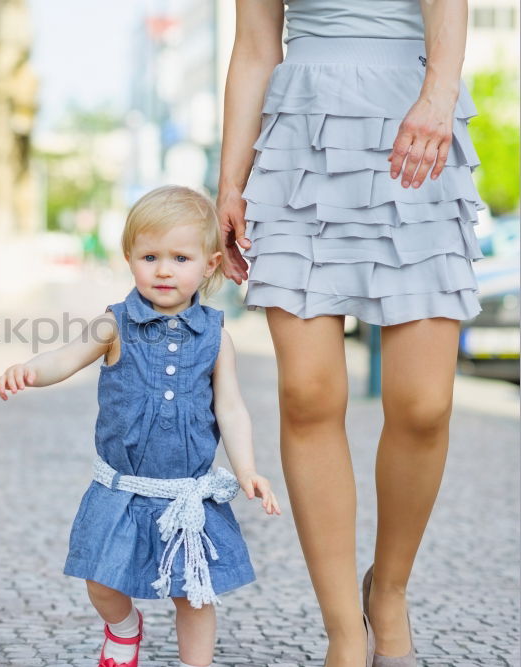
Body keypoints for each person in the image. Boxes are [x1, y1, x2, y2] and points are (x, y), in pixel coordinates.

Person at [218, 2, 483, 666]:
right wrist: (230, 179)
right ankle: (343, 627)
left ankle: (386, 592)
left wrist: (439, 93)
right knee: (307, 393)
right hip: (299, 135)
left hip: (418, 120)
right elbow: (255, 45)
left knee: (425, 404)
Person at [0, 185, 281, 667]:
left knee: (195, 593)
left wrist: (247, 468)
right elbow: (66, 358)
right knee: (101, 580)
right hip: (122, 488)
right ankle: (124, 628)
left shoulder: (216, 338)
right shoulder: (115, 325)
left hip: (187, 494)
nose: (164, 269)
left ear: (210, 265)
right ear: (130, 258)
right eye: (150, 256)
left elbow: (230, 409)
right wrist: (31, 371)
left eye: (180, 257)